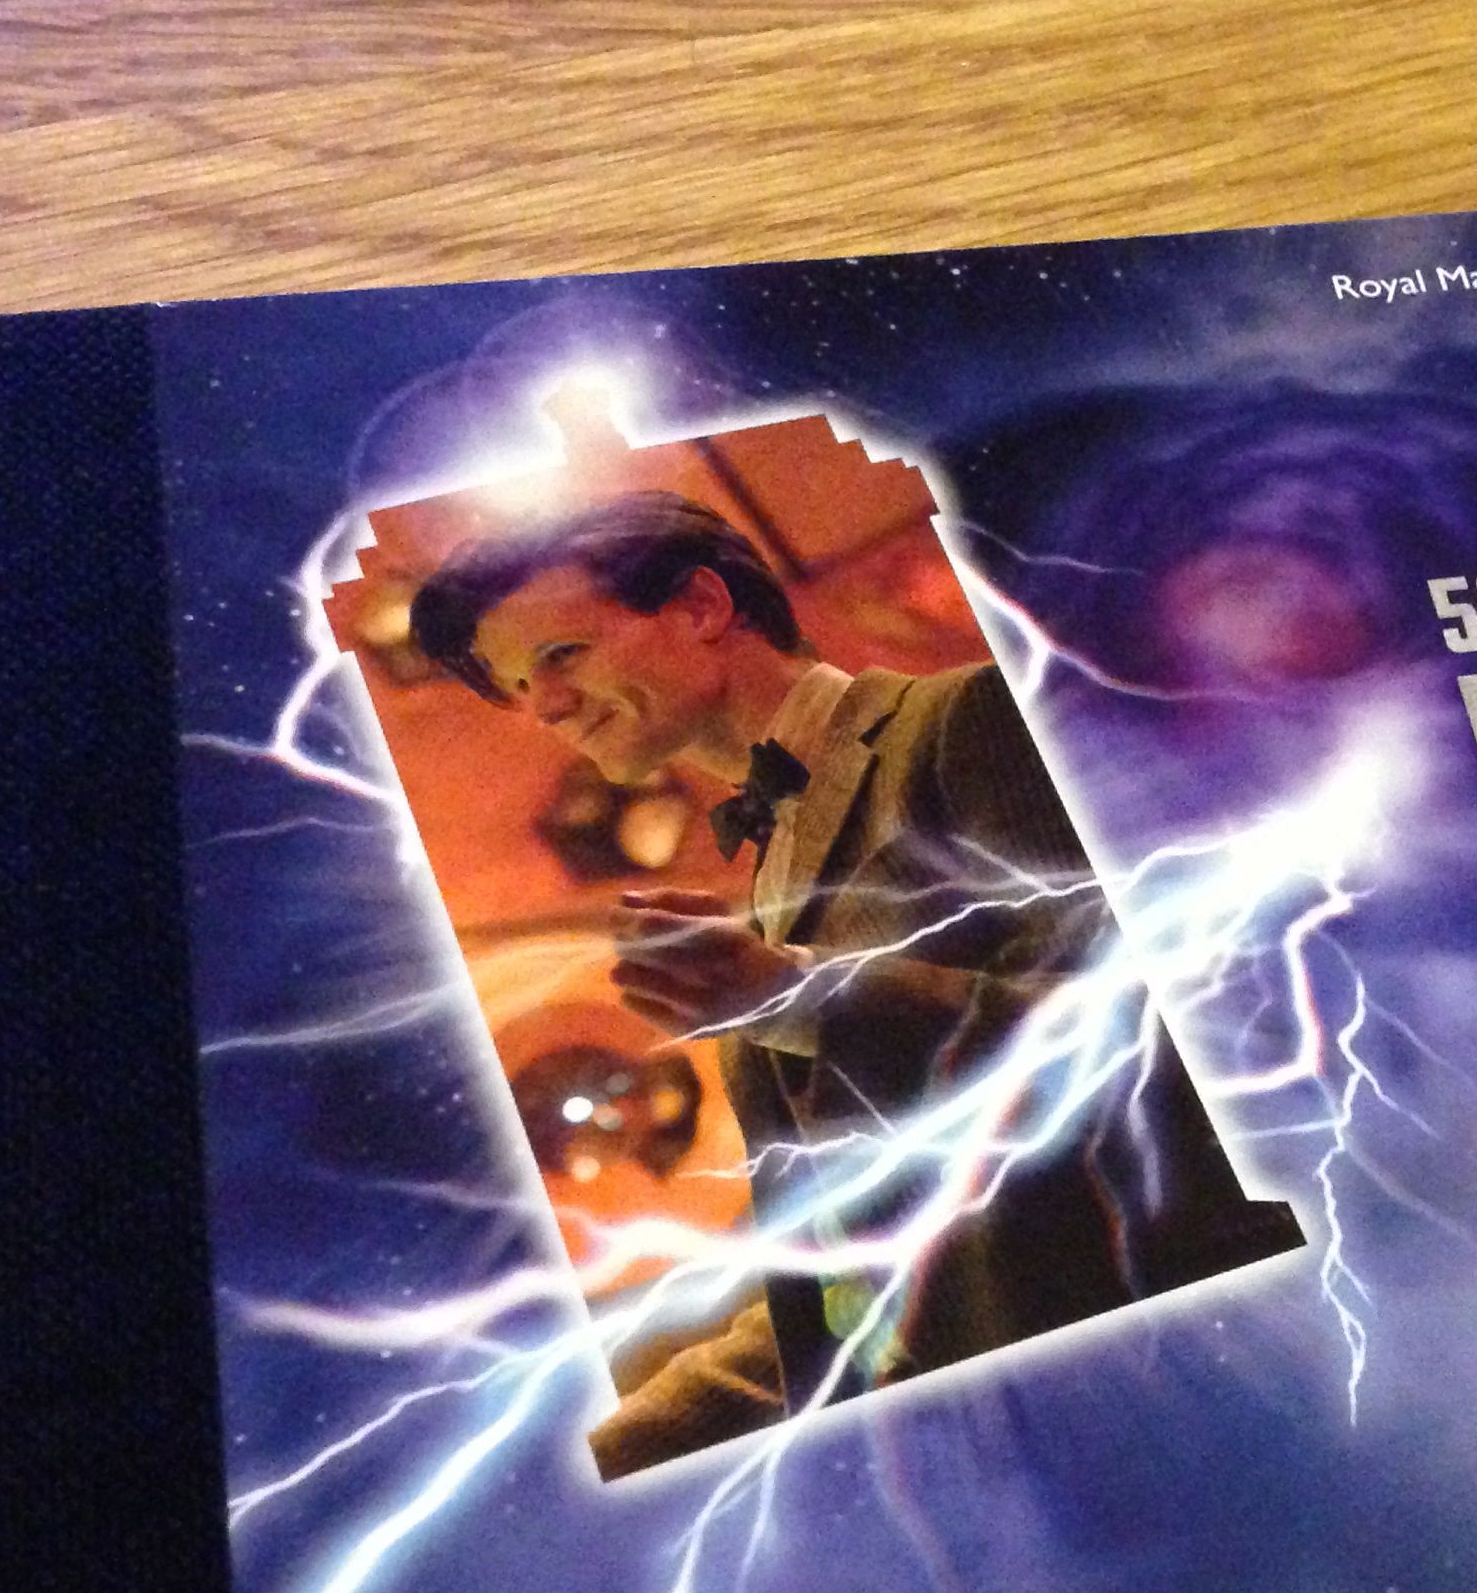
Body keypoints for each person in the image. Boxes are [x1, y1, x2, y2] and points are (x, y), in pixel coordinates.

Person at [407, 491, 1303, 1478]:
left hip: (1155, 1394)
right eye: (520, 686)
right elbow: (842, 1282)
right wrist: (596, 1457)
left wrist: (809, 999)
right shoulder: (764, 884)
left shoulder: (969, 721)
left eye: (561, 655)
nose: (545, 708)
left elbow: (1152, 1051)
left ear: (701, 605)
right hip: (989, 1454)